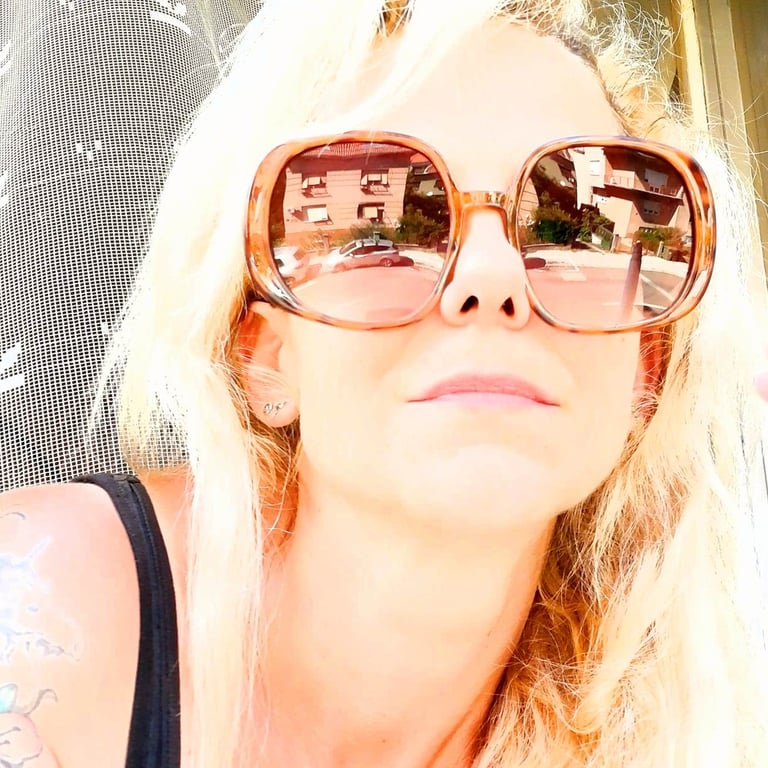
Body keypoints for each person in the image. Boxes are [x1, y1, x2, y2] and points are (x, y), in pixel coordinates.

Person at [2, 0, 767, 766]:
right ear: (264, 352)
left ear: (645, 371)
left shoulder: (690, 719)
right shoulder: (43, 611)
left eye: (578, 226)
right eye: (384, 227)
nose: (491, 277)